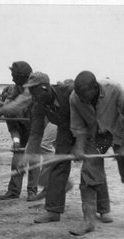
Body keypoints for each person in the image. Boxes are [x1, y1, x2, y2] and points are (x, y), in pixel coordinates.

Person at [21, 72, 111, 224]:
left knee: (93, 165)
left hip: (89, 129)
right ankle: (53, 211)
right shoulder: (38, 104)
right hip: (65, 131)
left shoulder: (69, 92)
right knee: (58, 166)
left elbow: (92, 116)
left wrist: (79, 145)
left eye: (33, 89)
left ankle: (103, 210)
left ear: (45, 88)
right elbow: (36, 133)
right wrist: (27, 158)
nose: (30, 94)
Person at [69, 71, 124, 236]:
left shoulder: (115, 89)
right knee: (88, 174)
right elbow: (78, 127)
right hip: (97, 136)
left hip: (121, 133)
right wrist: (79, 148)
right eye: (78, 95)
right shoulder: (74, 98)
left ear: (95, 88)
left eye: (84, 95)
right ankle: (88, 220)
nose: (81, 99)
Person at [0, 61, 40, 201]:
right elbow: (13, 126)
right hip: (21, 127)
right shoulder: (16, 88)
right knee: (17, 158)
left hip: (36, 127)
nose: (12, 78)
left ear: (23, 76)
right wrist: (16, 140)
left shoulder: (37, 87)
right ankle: (14, 191)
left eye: (14, 75)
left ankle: (32, 191)